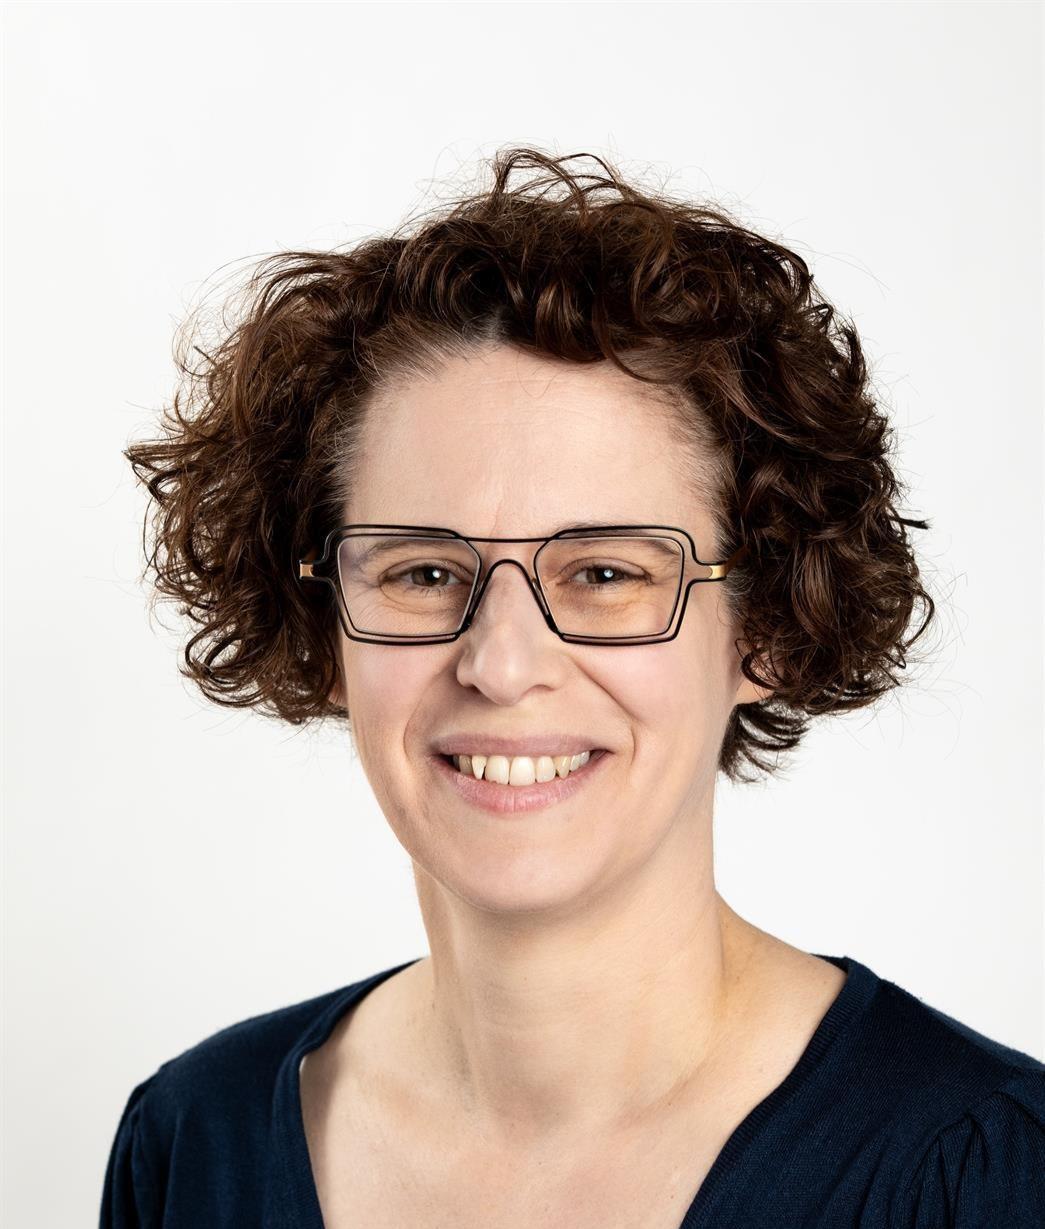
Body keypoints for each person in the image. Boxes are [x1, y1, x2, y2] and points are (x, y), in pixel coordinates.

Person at [100, 148, 1044, 1228]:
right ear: (324, 627)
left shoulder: (982, 1171)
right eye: (423, 573)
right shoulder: (193, 1142)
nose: (501, 665)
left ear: (769, 624)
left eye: (603, 573)